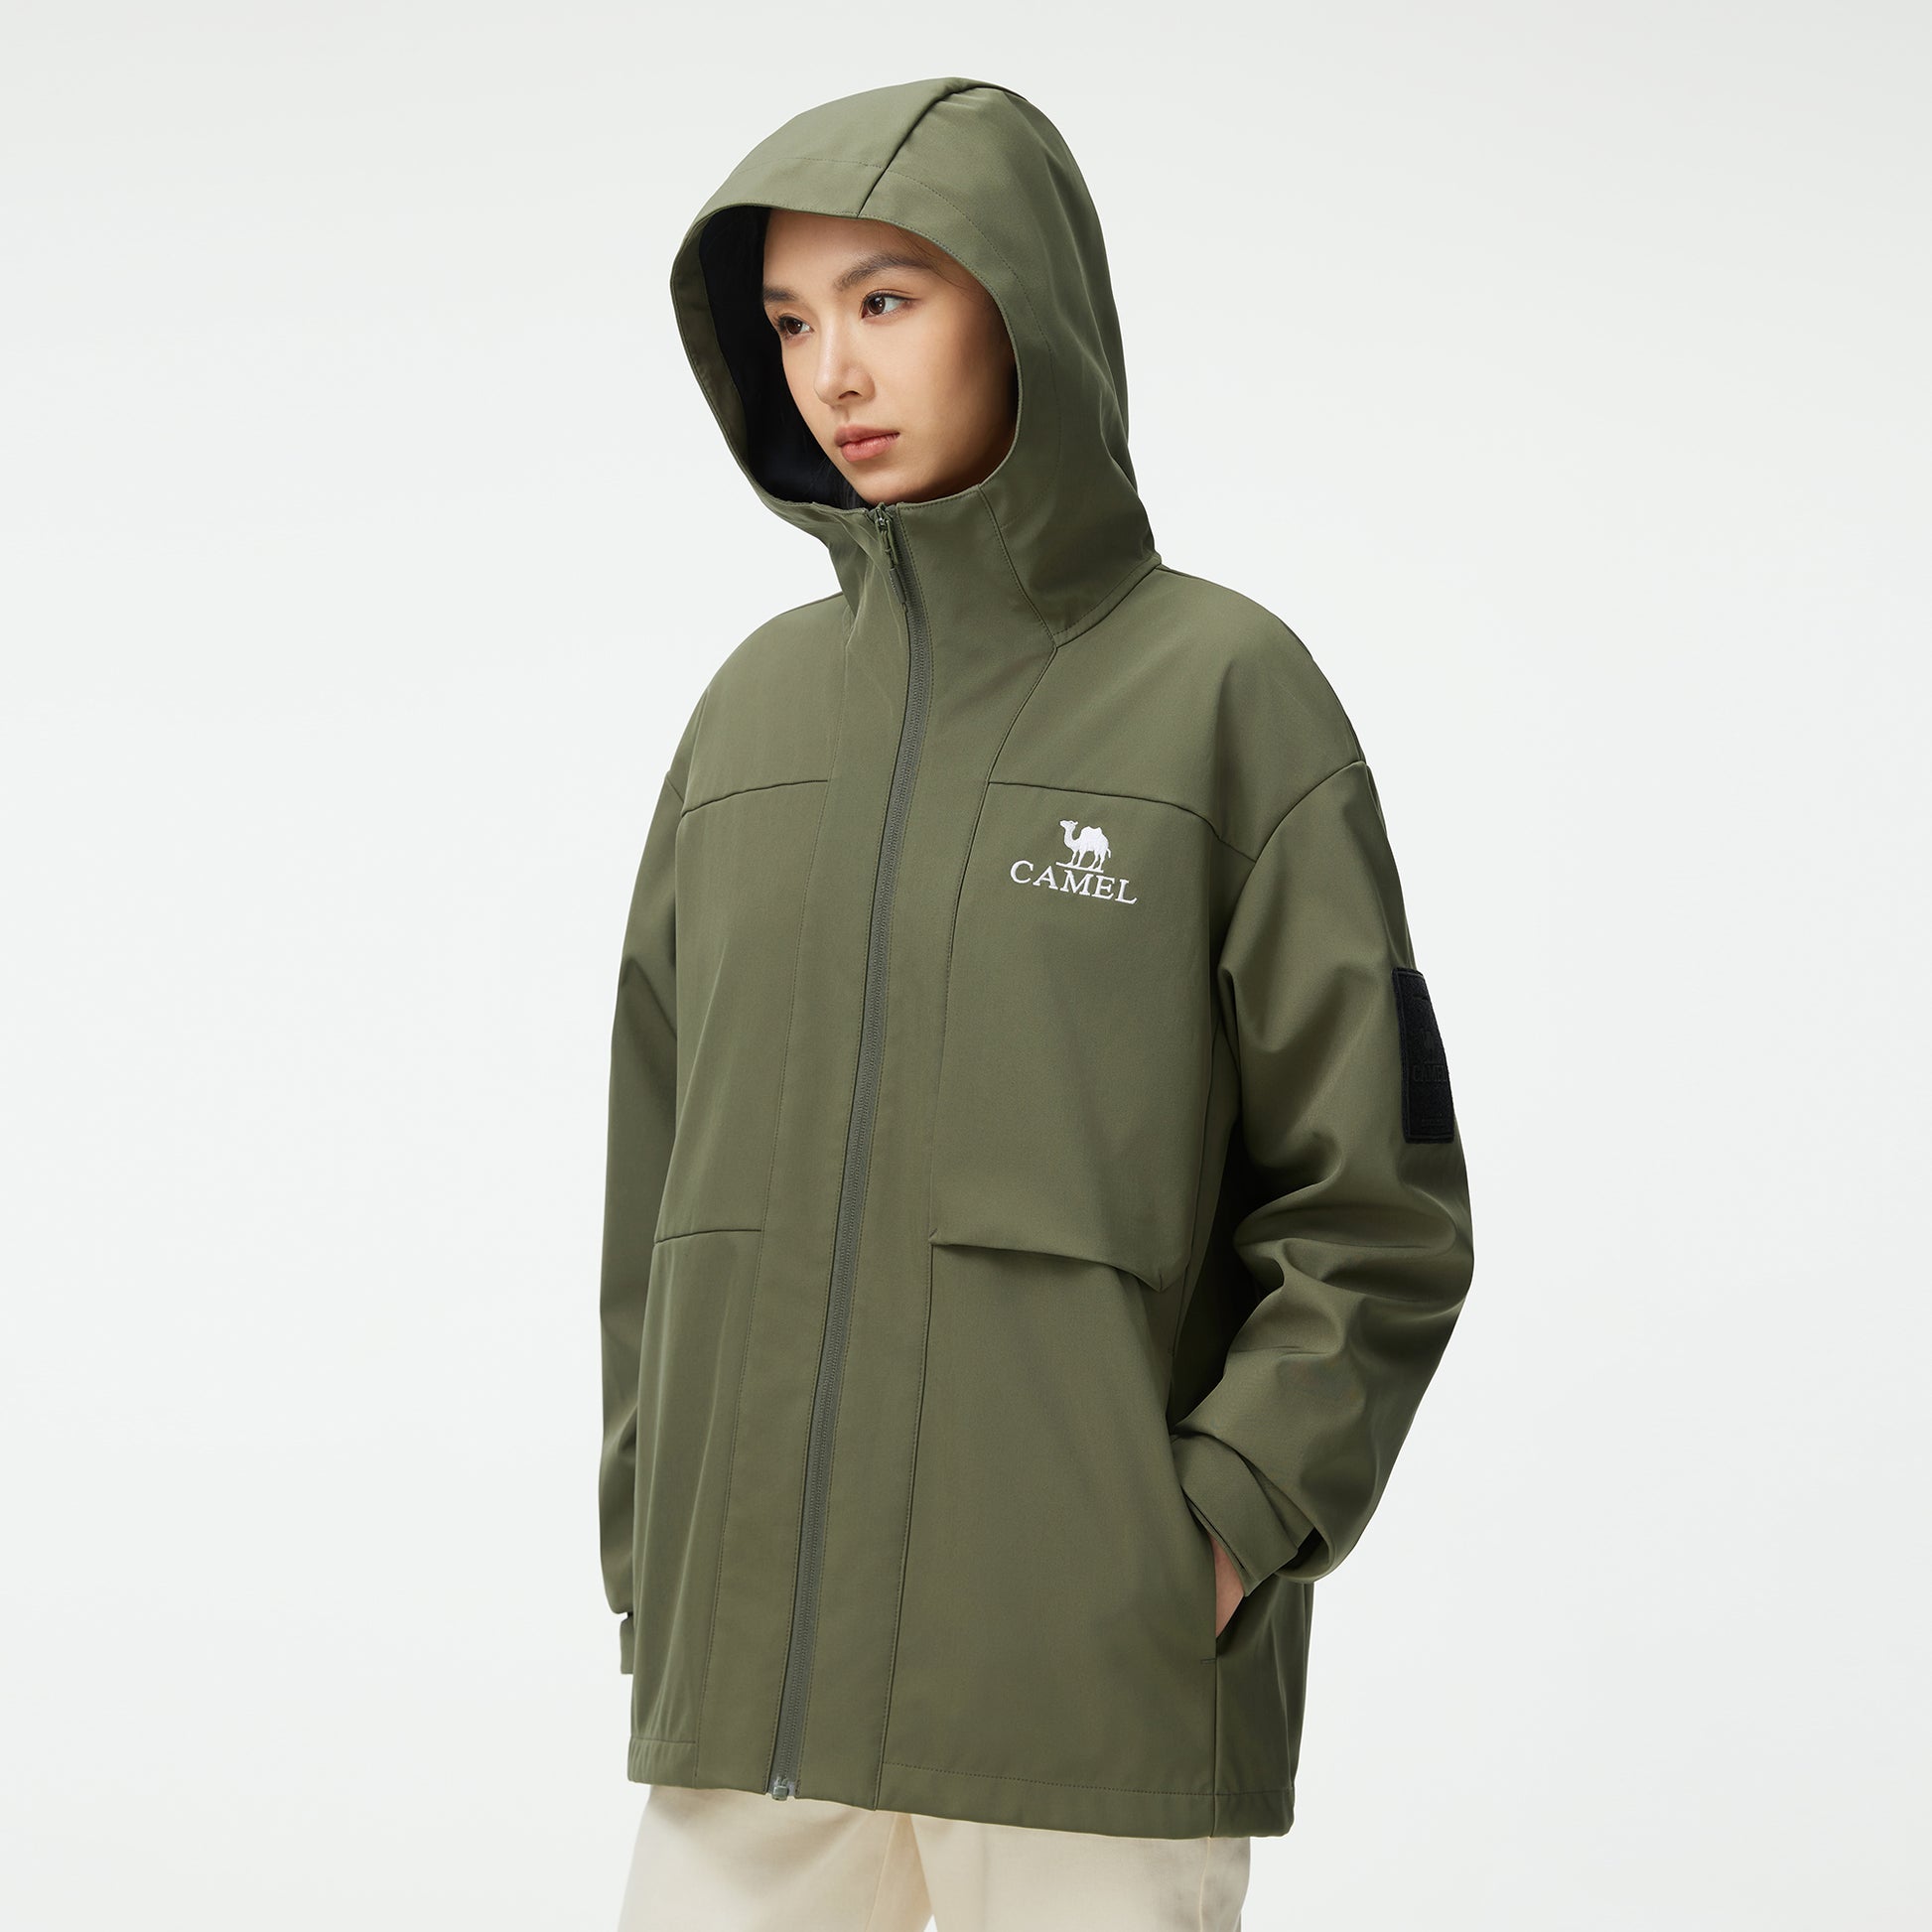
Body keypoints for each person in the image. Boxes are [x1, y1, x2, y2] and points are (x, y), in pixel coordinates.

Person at [598, 75, 1474, 1932]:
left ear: (1025, 303)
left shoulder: (1226, 695)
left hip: (1085, 1683)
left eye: (887, 297)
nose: (834, 369)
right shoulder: (750, 719)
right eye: (789, 322)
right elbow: (655, 1190)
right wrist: (650, 1547)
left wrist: (1216, 1528)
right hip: (749, 1692)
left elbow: (1377, 1208)